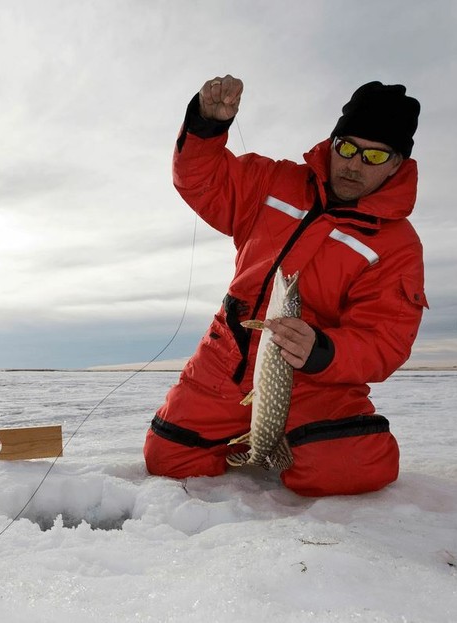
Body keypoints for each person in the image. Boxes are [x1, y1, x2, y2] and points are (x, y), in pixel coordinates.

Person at [143, 76, 427, 497]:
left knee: (354, 466)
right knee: (167, 459)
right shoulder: (272, 181)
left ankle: (289, 441)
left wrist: (322, 351)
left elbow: (384, 341)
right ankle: (251, 440)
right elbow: (201, 180)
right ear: (331, 143)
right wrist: (206, 125)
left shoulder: (397, 246)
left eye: (373, 155)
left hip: (316, 382)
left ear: (396, 164)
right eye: (346, 147)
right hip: (228, 357)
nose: (353, 164)